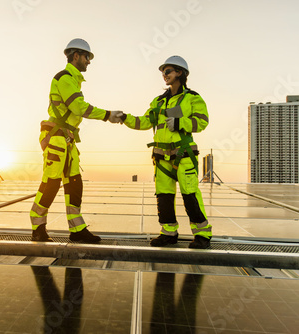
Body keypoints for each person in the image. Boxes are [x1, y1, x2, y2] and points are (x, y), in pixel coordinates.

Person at [30, 38, 124, 243]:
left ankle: (77, 229)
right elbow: (79, 108)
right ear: (76, 56)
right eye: (87, 57)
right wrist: (108, 115)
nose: (89, 61)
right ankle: (38, 226)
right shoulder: (64, 78)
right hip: (56, 138)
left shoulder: (73, 80)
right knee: (51, 182)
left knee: (74, 184)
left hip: (67, 139)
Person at [119, 55, 212, 249]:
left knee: (191, 195)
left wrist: (180, 122)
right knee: (164, 197)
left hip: (183, 156)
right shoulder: (159, 102)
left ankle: (202, 235)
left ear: (180, 72)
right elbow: (145, 122)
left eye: (167, 71)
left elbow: (202, 121)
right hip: (161, 159)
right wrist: (125, 118)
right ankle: (169, 233)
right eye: (163, 72)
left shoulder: (192, 98)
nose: (164, 75)